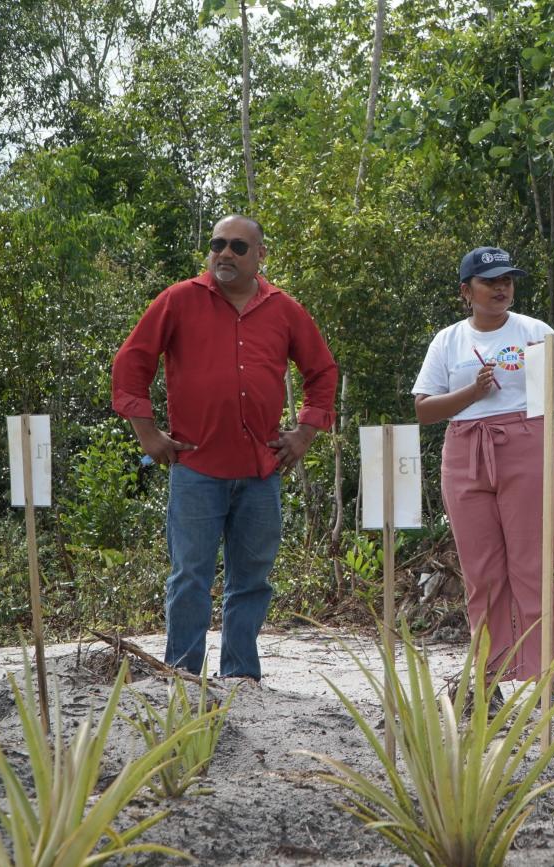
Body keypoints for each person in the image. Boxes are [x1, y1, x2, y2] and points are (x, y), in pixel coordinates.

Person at [112, 215, 337, 681]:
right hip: (195, 468)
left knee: (252, 581)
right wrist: (147, 434)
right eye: (218, 245)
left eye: (238, 246)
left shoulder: (284, 309)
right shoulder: (178, 300)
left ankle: (240, 678)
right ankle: (183, 675)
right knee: (190, 578)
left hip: (261, 472)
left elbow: (321, 372)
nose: (225, 254)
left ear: (260, 255)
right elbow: (131, 363)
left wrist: (305, 433)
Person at [412, 246, 554, 707]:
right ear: (465, 291)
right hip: (465, 449)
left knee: (532, 569)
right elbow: (423, 409)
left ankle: (543, 682)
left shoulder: (536, 332)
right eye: (490, 281)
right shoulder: (449, 340)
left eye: (508, 280)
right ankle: (489, 679)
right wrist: (471, 391)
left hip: (526, 441)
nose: (501, 288)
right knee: (482, 574)